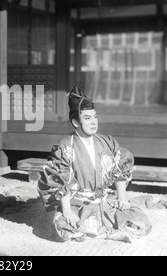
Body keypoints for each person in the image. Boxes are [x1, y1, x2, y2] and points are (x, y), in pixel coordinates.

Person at [37, 86, 151, 243]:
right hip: (78, 202)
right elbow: (60, 180)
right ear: (76, 122)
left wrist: (122, 198)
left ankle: (103, 231)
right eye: (88, 118)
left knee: (139, 218)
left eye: (95, 117)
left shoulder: (106, 142)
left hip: (102, 198)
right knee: (64, 222)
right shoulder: (65, 147)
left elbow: (120, 167)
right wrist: (68, 210)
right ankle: (109, 232)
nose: (93, 122)